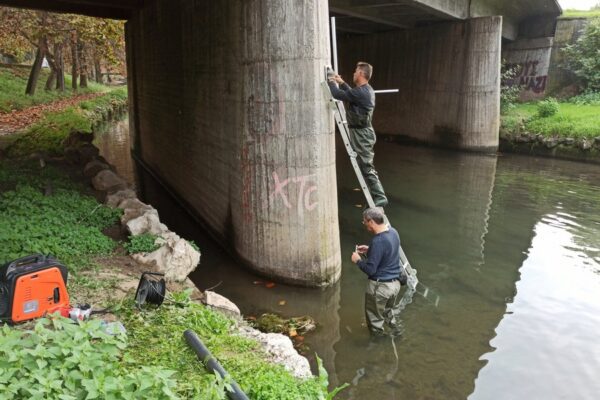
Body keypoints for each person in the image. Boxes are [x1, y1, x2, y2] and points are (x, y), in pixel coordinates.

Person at [328, 61, 388, 207]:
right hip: (361, 132)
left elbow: (336, 94)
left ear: (361, 74)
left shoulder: (362, 92)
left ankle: (380, 196)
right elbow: (351, 94)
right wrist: (342, 82)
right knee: (364, 165)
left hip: (362, 134)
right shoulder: (364, 90)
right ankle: (375, 196)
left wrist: (330, 80)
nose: (354, 73)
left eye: (355, 71)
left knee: (367, 166)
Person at [352, 207, 402, 336]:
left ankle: (378, 345)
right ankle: (397, 334)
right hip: (394, 285)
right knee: (388, 313)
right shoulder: (393, 232)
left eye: (364, 222)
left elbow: (371, 270)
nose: (365, 225)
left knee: (375, 322)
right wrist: (370, 250)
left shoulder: (378, 240)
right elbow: (388, 253)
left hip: (380, 288)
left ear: (371, 222)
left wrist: (358, 260)